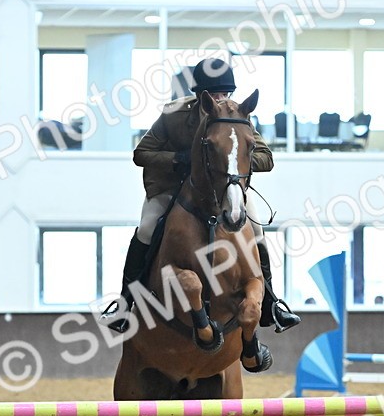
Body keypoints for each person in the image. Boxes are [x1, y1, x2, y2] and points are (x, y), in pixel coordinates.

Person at [102, 57, 300, 335]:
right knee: (146, 229)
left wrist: (230, 163)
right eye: (215, 94)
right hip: (173, 185)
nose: (222, 100)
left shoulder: (237, 115)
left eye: (225, 94)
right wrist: (181, 159)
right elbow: (141, 154)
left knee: (257, 231)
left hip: (226, 187)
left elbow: (266, 158)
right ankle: (125, 304)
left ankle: (271, 303)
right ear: (199, 95)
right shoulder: (175, 115)